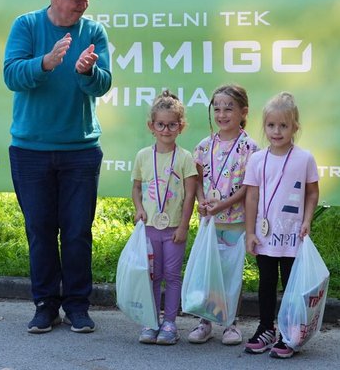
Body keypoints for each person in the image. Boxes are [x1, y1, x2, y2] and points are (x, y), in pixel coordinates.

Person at [3, 0, 112, 334]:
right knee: (40, 230)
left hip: (80, 149)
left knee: (78, 231)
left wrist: (87, 73)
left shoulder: (94, 31)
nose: (83, 3)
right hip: (30, 150)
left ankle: (78, 306)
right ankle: (45, 305)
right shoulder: (27, 25)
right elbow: (11, 75)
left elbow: (103, 85)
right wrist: (45, 63)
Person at [242, 91, 319, 359]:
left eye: (283, 126)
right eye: (271, 125)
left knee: (290, 285)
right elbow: (251, 196)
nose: (277, 131)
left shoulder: (304, 158)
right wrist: (250, 231)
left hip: (292, 236)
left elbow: (312, 192)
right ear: (264, 127)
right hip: (265, 236)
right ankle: (266, 328)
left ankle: (290, 332)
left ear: (295, 127)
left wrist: (307, 220)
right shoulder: (256, 159)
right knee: (266, 283)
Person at [188, 84, 259, 345]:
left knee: (231, 273)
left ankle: (231, 323)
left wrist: (224, 203)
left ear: (243, 112)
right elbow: (196, 179)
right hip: (210, 221)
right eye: (216, 108)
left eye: (229, 108)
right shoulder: (205, 146)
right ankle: (205, 321)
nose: (222, 114)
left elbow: (249, 188)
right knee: (209, 271)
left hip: (235, 221)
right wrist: (201, 201)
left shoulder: (250, 148)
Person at [131, 90, 198, 345]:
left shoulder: (184, 158)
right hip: (150, 228)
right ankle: (151, 320)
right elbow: (136, 188)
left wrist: (183, 226)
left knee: (171, 275)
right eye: (161, 124)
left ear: (180, 127)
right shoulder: (142, 156)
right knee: (152, 275)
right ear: (152, 126)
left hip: (173, 230)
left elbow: (190, 195)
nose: (166, 130)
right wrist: (138, 208)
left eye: (172, 125)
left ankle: (170, 322)